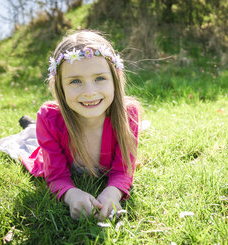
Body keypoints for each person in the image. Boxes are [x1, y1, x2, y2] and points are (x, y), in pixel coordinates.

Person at [20, 30, 140, 221]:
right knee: (31, 136)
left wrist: (113, 192)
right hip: (53, 128)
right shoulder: (49, 118)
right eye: (75, 81)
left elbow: (123, 170)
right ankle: (30, 126)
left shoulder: (128, 114)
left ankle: (30, 127)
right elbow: (56, 176)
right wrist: (71, 194)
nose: (90, 92)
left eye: (100, 78)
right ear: (60, 86)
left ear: (115, 79)